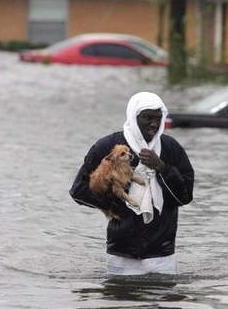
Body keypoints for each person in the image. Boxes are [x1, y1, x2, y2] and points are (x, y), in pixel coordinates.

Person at [69, 91, 194, 276]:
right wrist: (115, 201)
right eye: (147, 117)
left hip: (163, 254)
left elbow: (184, 197)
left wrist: (162, 168)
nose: (154, 123)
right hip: (121, 254)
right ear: (134, 117)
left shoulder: (170, 148)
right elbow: (78, 190)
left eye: (158, 118)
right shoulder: (108, 146)